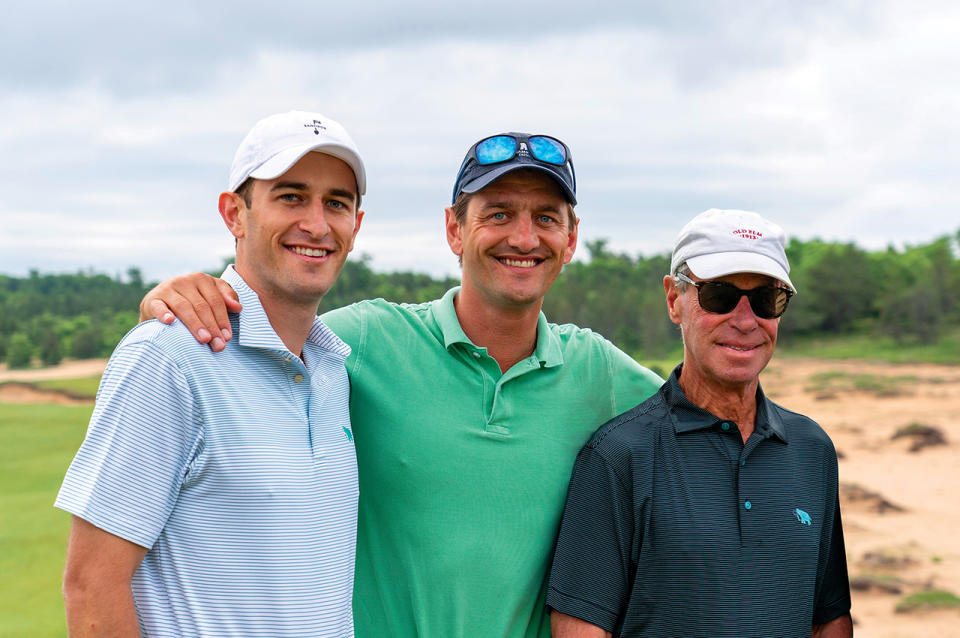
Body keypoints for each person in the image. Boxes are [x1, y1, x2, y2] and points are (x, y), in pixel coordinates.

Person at [139, 132, 664, 638]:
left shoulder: (598, 371)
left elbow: (702, 411)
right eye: (498, 214)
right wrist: (189, 294)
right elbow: (262, 334)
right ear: (454, 230)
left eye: (546, 219)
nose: (524, 238)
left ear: (570, 239)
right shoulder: (368, 340)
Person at [55, 110, 366, 637]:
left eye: (336, 202)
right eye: (290, 196)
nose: (316, 224)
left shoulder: (335, 370)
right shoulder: (168, 357)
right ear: (235, 214)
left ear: (355, 225)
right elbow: (91, 587)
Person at [547, 208, 853, 637]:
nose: (745, 320)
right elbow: (579, 626)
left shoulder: (812, 449)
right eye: (719, 295)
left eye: (766, 299)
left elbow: (830, 617)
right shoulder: (619, 455)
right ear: (675, 300)